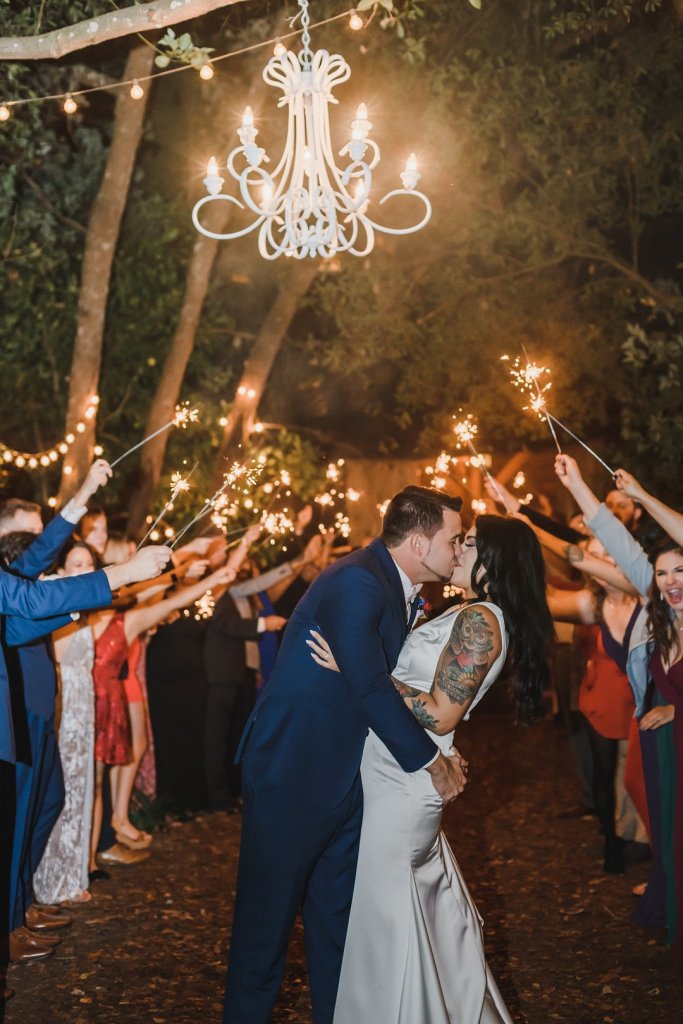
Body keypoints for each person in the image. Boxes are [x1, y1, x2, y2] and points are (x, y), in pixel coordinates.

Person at [223, 486, 469, 1024]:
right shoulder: (357, 580)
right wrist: (434, 764)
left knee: (337, 929)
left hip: (344, 781)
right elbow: (370, 688)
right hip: (293, 771)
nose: (459, 549)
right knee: (264, 934)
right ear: (421, 541)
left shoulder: (394, 583)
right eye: (454, 539)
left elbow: (373, 679)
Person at [309, 514, 553, 1023]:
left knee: (387, 914)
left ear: (496, 559)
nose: (459, 549)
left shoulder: (482, 620)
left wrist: (360, 671)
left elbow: (442, 710)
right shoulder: (470, 612)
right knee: (394, 909)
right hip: (395, 768)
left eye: (470, 543)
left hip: (403, 782)